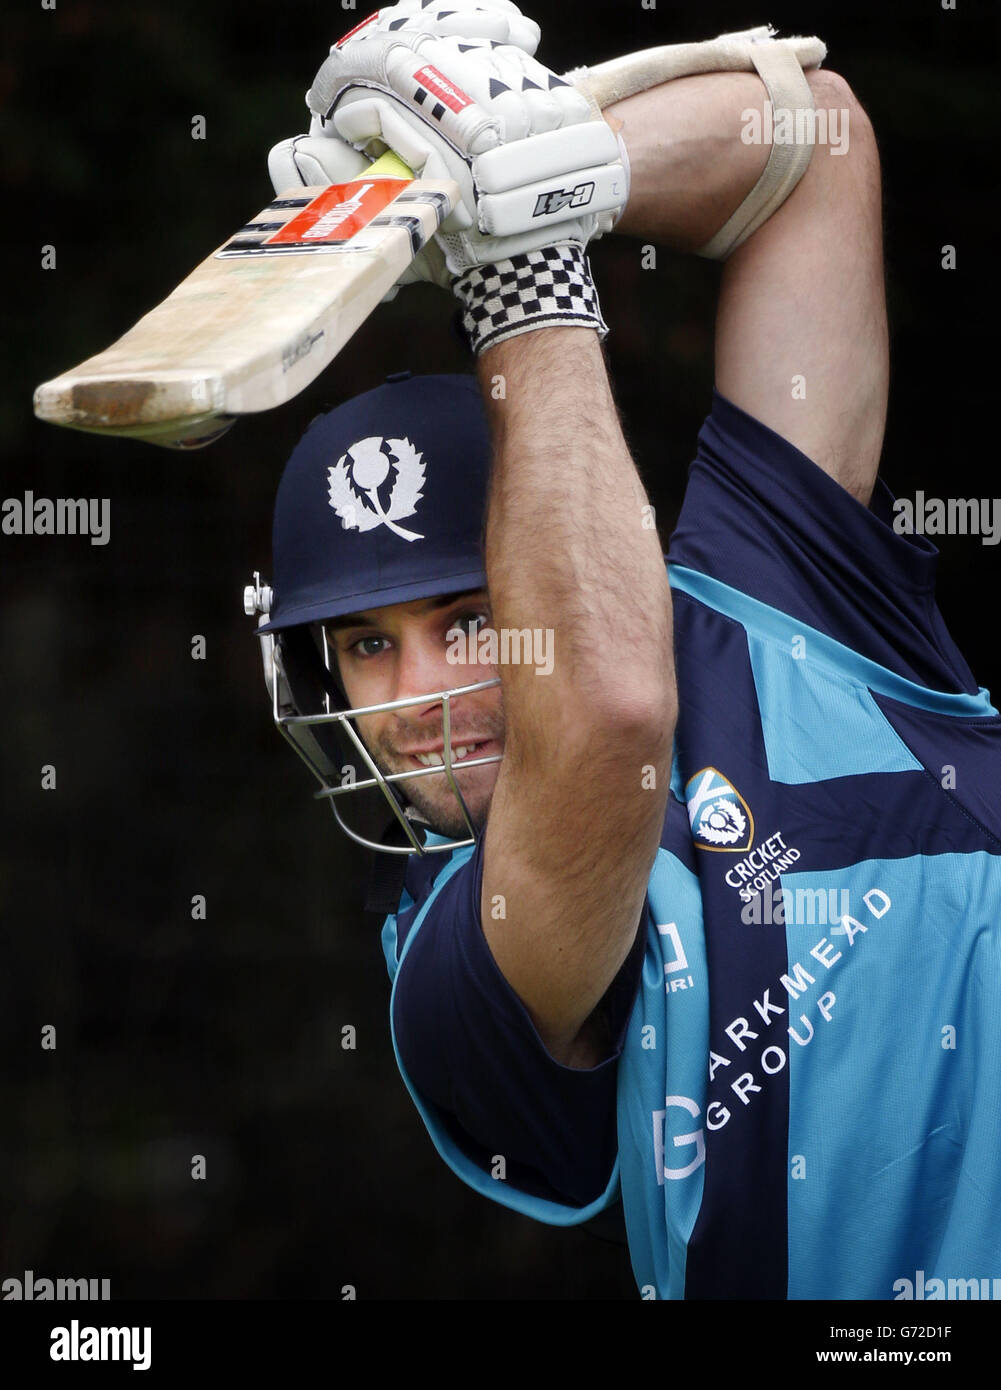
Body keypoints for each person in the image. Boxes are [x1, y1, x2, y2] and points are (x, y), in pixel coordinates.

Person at [246, 5, 1001, 1299]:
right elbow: (606, 720)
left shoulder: (776, 597)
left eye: (475, 619)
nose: (424, 697)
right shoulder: (447, 970)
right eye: (369, 646)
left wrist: (518, 157)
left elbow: (810, 146)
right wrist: (516, 263)